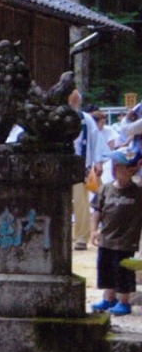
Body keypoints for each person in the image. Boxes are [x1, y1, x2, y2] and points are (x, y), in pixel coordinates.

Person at [90, 149, 142, 316]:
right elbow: (97, 210)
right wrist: (94, 230)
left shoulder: (138, 191)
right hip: (106, 239)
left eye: (119, 166)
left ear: (131, 169)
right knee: (106, 270)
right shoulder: (105, 189)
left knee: (123, 272)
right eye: (114, 165)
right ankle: (109, 298)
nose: (114, 169)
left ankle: (124, 301)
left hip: (126, 241)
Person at [70, 88, 109, 250]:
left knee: (80, 202)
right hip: (61, 164)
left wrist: (98, 162)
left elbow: (96, 141)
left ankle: (81, 237)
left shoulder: (86, 119)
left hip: (81, 164)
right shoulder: (56, 118)